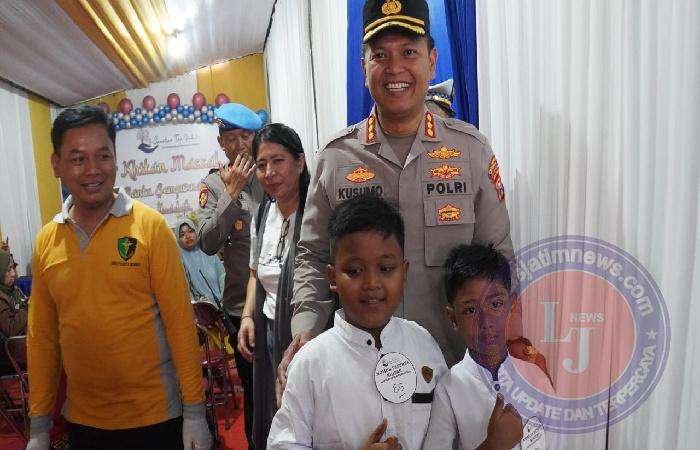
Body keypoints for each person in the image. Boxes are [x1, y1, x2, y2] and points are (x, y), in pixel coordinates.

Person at [283, 0, 515, 391]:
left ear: (432, 60)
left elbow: (498, 257)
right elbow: (313, 255)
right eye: (380, 55)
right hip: (363, 376)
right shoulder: (336, 159)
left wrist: (503, 340)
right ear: (363, 66)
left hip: (454, 369)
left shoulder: (470, 151)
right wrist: (305, 329)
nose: (395, 68)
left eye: (409, 52)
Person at [26, 105, 210, 450]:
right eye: (78, 159)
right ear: (56, 164)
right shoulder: (46, 241)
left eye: (103, 156)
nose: (93, 170)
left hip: (156, 418)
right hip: (83, 422)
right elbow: (42, 338)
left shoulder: (150, 227)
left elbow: (180, 324)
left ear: (115, 157)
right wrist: (38, 426)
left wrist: (195, 412)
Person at [268, 194, 448, 449]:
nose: (372, 283)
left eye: (386, 268)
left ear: (404, 272)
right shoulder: (311, 363)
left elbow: (447, 430)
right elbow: (285, 444)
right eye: (354, 271)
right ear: (332, 277)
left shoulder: (423, 344)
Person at [424, 244, 554, 449]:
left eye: (495, 304)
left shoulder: (536, 379)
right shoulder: (448, 389)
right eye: (471, 310)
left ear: (511, 307)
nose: (486, 322)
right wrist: (493, 445)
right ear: (453, 318)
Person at [236, 123, 310, 447]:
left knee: (304, 414)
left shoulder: (315, 214)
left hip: (306, 335)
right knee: (272, 410)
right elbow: (255, 272)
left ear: (300, 162)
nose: (269, 173)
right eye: (262, 164)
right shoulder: (264, 213)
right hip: (268, 328)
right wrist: (247, 317)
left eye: (278, 161)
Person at [197, 102, 266, 449]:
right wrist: (231, 193)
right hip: (242, 308)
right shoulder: (213, 184)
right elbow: (207, 242)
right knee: (254, 393)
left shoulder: (271, 173)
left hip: (282, 300)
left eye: (246, 137)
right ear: (221, 143)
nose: (240, 145)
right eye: (232, 138)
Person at [175, 218, 226, 303]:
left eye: (191, 231)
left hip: (224, 303)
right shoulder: (179, 261)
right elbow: (183, 289)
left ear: (196, 232)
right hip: (200, 308)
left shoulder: (208, 251)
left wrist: (224, 297)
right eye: (182, 235)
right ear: (178, 239)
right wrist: (197, 303)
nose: (187, 236)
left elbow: (222, 275)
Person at [0, 249, 28, 340]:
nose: (13, 274)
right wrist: (28, 307)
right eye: (8, 270)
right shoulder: (1, 298)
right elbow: (10, 329)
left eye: (13, 268)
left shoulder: (12, 288)